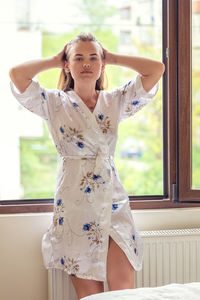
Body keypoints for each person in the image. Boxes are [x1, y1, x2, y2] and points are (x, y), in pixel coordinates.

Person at [9, 32, 165, 299]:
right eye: (78, 58)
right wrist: (55, 60)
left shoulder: (115, 100)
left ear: (102, 64)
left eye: (93, 58)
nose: (86, 63)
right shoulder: (54, 102)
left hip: (113, 202)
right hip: (75, 207)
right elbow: (17, 75)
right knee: (91, 298)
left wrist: (111, 57)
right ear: (67, 65)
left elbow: (156, 70)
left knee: (124, 294)